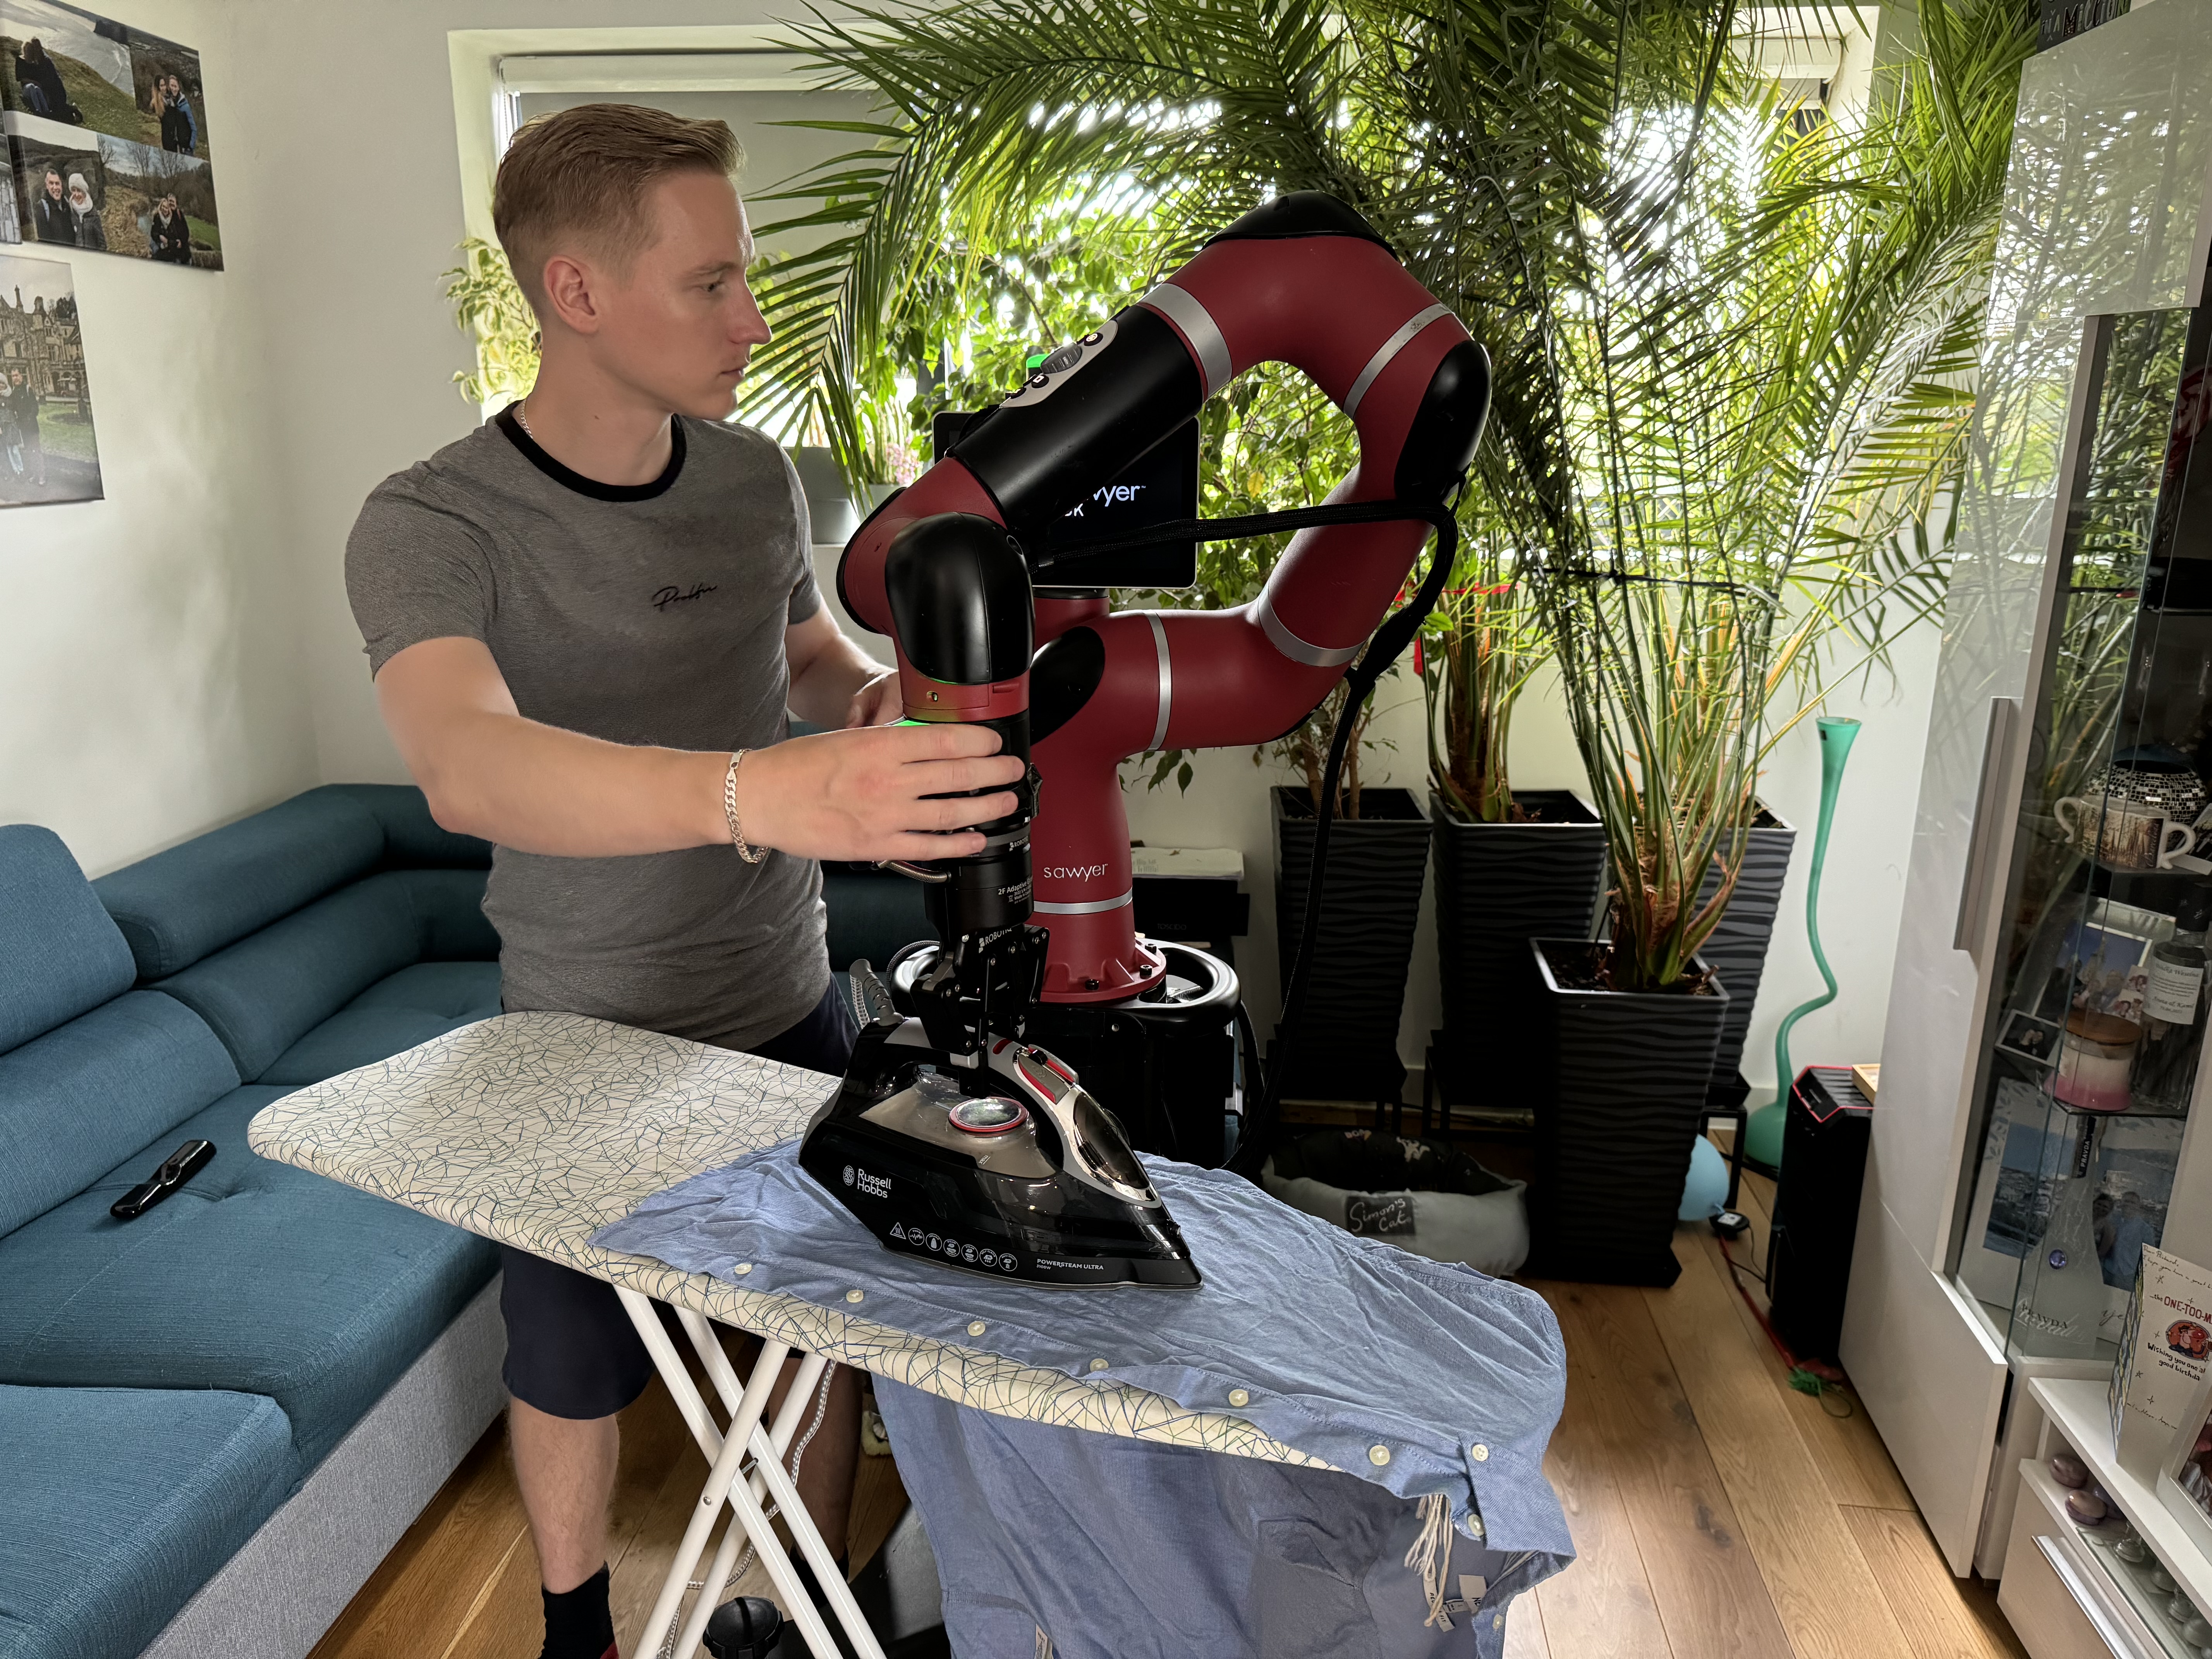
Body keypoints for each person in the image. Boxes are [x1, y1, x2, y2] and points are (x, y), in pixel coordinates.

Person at [346, 103, 1024, 1659]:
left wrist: (858, 699)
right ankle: (575, 1627)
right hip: (578, 1033)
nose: (753, 316)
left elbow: (796, 655)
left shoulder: (753, 479)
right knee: (575, 1354)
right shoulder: (432, 522)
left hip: (786, 1005)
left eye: (747, 278)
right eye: (711, 282)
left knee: (814, 1338)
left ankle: (797, 1606)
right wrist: (756, 791)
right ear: (577, 292)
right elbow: (465, 759)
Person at [12, 40, 77, 124]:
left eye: (31, 50)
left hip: (35, 87)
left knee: (37, 89)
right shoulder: (20, 60)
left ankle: (46, 111)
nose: (29, 52)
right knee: (32, 87)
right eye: (28, 50)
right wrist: (34, 82)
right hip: (26, 87)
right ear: (24, 49)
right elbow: (20, 78)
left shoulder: (34, 63)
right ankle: (38, 111)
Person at [4, 367, 46, 486]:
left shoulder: (28, 389)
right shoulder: (14, 392)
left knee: (37, 451)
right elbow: (13, 409)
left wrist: (29, 419)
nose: (15, 378)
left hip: (32, 427)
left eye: (17, 375)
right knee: (28, 452)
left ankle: (42, 475)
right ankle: (34, 473)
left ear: (21, 376)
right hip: (23, 428)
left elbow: (35, 409)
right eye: (13, 376)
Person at [28, 168, 72, 244]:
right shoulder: (42, 207)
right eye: (52, 184)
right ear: (47, 186)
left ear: (62, 185)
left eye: (57, 183)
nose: (55, 188)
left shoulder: (67, 203)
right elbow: (44, 241)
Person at [64, 172, 104, 250]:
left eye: (79, 191)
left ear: (84, 192)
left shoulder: (94, 215)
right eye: (73, 190)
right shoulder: (69, 212)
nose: (76, 195)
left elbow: (102, 244)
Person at [159, 72, 197, 153]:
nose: (173, 89)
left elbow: (194, 128)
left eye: (176, 86)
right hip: (173, 146)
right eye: (172, 86)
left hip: (186, 148)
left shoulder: (185, 106)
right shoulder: (168, 104)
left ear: (179, 88)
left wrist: (191, 146)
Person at [148, 192, 190, 263]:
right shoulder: (163, 216)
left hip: (181, 252)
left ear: (176, 203)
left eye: (173, 201)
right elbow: (155, 233)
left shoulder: (179, 214)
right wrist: (160, 237)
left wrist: (181, 242)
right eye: (170, 201)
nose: (171, 203)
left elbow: (186, 233)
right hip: (169, 252)